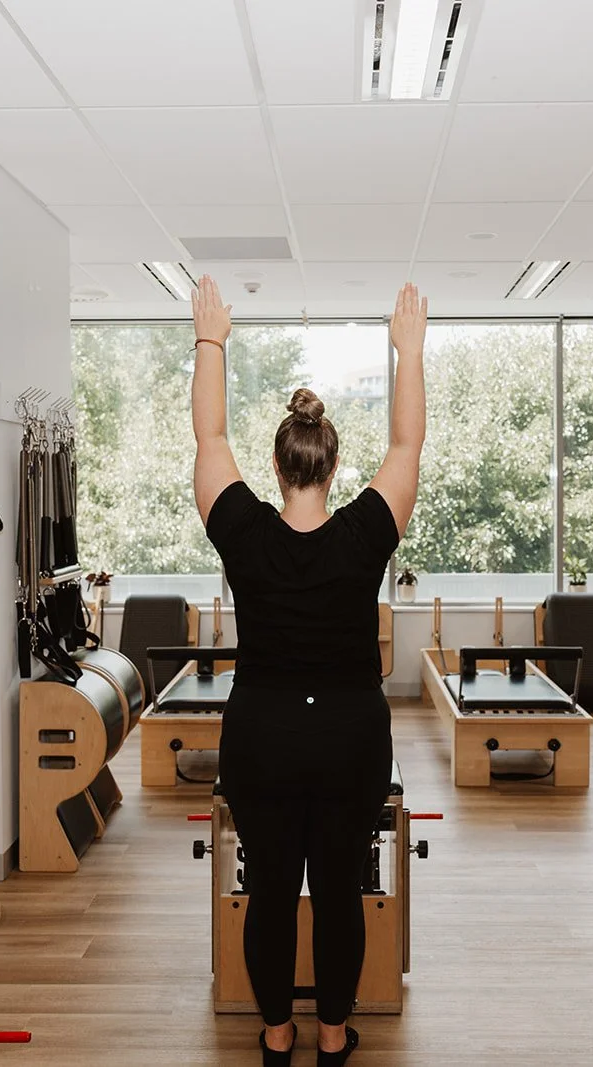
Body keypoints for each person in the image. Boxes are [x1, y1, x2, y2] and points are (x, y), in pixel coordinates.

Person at [191, 276, 425, 1066]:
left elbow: (208, 442)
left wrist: (212, 341)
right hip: (350, 734)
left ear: (280, 463)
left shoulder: (247, 533)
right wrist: (410, 352)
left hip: (261, 732)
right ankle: (332, 1036)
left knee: (268, 893)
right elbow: (407, 448)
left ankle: (275, 1035)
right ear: (330, 464)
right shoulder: (362, 532)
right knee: (336, 892)